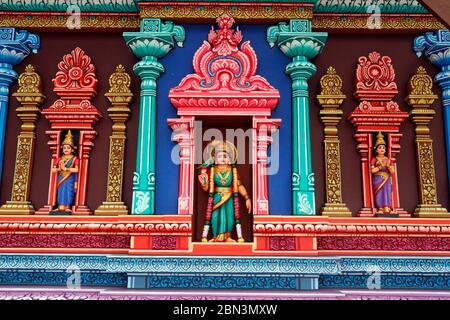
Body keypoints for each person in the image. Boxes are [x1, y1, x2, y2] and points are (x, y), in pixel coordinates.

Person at [198, 140, 251, 242]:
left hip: (229, 197)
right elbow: (206, 188)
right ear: (215, 160)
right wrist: (204, 183)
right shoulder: (212, 170)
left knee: (229, 217)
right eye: (220, 156)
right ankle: (215, 236)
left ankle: (228, 237)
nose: (223, 159)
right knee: (215, 217)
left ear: (230, 160)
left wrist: (247, 197)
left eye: (225, 156)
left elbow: (239, 185)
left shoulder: (233, 171)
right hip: (216, 197)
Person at [52, 130, 79, 212]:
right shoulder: (59, 159)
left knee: (68, 191)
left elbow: (77, 169)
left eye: (68, 148)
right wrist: (59, 169)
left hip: (69, 178)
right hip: (61, 177)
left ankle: (67, 207)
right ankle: (60, 206)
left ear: (72, 149)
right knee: (60, 191)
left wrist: (66, 169)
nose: (66, 149)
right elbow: (53, 169)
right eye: (64, 148)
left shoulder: (74, 159)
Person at [370, 132, 394, 214]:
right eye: (380, 148)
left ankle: (387, 207)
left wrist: (389, 167)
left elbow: (393, 171)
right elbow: (372, 171)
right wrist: (381, 166)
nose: (382, 149)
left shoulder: (388, 159)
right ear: (376, 149)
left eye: (383, 147)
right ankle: (380, 208)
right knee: (379, 193)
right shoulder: (374, 159)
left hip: (387, 179)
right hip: (378, 179)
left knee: (387, 192)